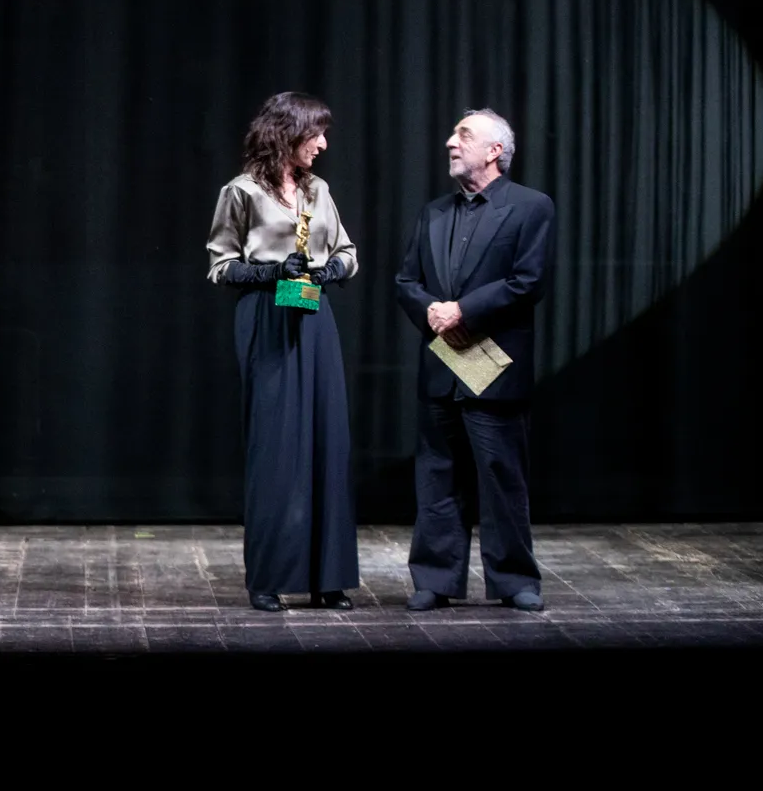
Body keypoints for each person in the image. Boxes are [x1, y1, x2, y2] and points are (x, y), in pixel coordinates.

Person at [205, 92, 361, 611]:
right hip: (267, 316)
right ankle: (269, 576)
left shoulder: (318, 190)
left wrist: (332, 269)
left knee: (326, 441)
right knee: (276, 449)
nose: (322, 144)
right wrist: (271, 271)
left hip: (315, 316)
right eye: (315, 134)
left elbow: (346, 250)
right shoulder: (242, 192)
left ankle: (328, 577)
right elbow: (220, 265)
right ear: (287, 133)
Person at [395, 109, 555, 612]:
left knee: (501, 475)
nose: (449, 142)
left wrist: (463, 309)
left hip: (494, 363)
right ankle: (436, 579)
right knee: (438, 474)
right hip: (444, 360)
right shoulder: (434, 212)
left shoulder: (531, 207)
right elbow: (406, 282)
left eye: (462, 134)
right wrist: (435, 314)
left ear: (494, 151)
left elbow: (528, 282)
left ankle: (513, 580)